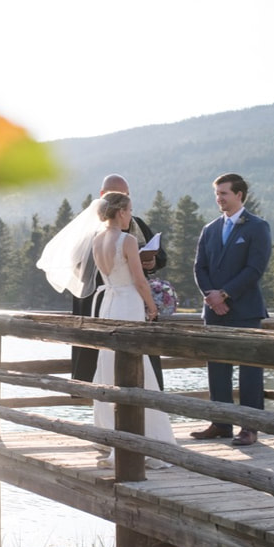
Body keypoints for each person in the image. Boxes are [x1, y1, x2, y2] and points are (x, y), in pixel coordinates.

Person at [89, 191, 176, 468]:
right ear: (122, 212)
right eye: (129, 211)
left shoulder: (96, 240)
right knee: (136, 371)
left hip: (108, 305)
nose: (130, 216)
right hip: (127, 303)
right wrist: (152, 307)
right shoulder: (126, 240)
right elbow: (139, 280)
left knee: (108, 368)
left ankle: (109, 435)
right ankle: (146, 440)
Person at [191, 173, 272, 447]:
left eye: (223, 193)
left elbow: (255, 269)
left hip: (246, 311)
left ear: (239, 194)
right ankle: (221, 423)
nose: (219, 198)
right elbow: (199, 267)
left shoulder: (257, 227)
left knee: (250, 371)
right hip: (214, 312)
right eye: (216, 193)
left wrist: (225, 294)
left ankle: (250, 427)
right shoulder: (210, 229)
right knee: (217, 370)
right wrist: (211, 297)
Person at [71, 174, 167, 389]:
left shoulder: (137, 225)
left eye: (125, 195)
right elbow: (78, 265)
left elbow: (160, 257)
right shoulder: (89, 229)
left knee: (133, 357)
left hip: (120, 299)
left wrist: (151, 262)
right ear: (103, 196)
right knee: (105, 357)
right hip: (102, 297)